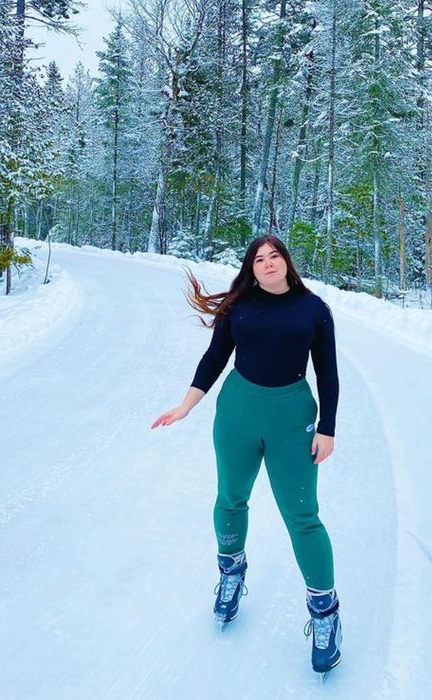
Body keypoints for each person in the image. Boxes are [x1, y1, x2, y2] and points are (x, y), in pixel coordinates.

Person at [150, 235, 343, 676]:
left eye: (275, 256)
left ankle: (325, 614)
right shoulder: (239, 307)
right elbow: (215, 357)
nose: (269, 263)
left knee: (303, 516)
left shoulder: (313, 309)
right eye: (260, 258)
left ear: (287, 263)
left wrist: (328, 429)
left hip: (292, 419)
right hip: (237, 412)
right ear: (251, 268)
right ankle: (231, 574)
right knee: (231, 498)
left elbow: (327, 371)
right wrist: (185, 405)